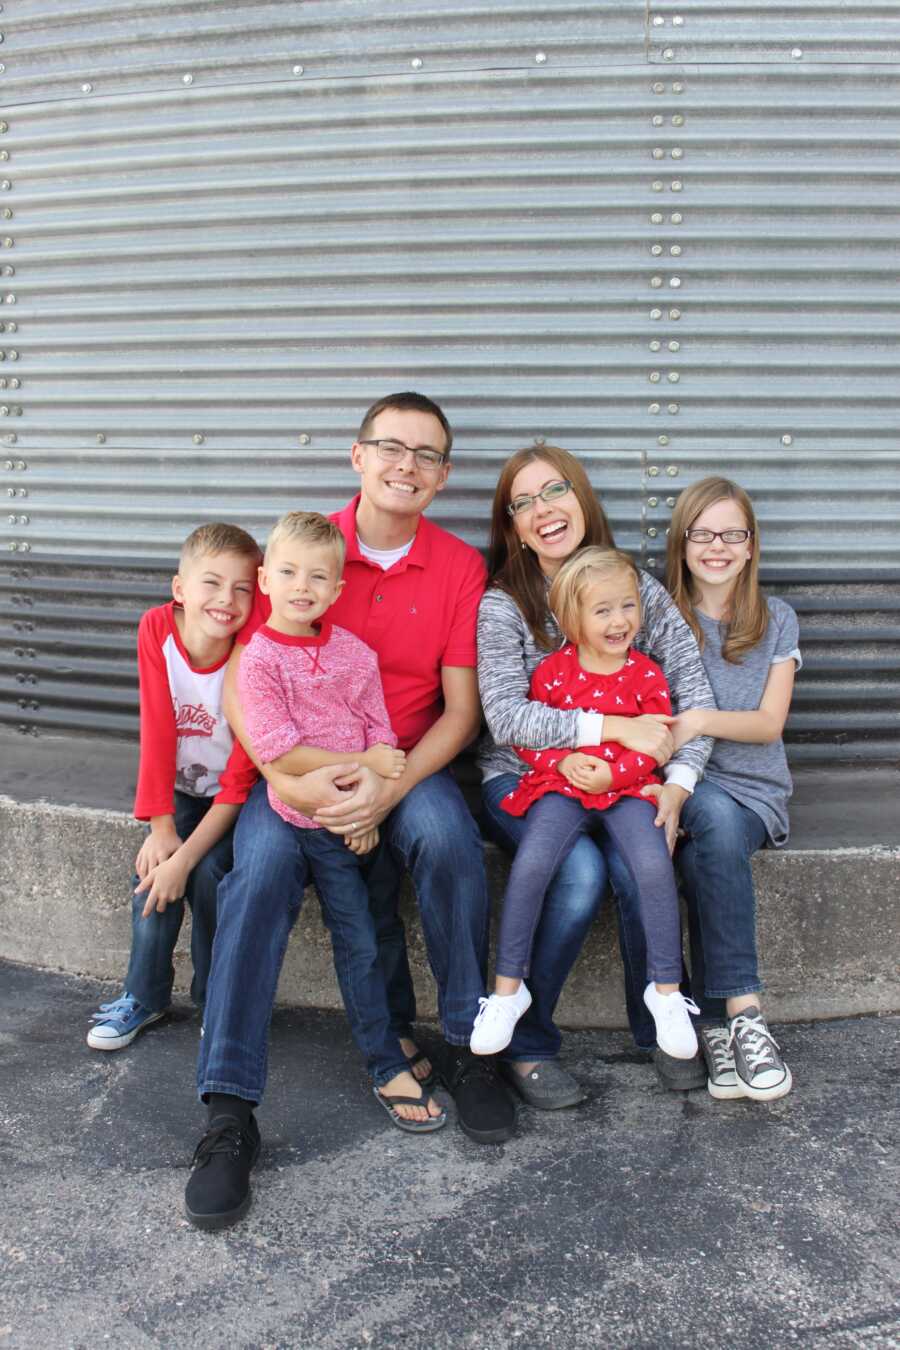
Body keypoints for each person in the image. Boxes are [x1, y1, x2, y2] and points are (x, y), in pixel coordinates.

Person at [185, 392, 514, 1232]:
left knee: (446, 839)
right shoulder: (303, 547)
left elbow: (460, 714)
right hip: (289, 771)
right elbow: (244, 674)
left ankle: (474, 1047)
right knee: (257, 872)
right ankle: (228, 1115)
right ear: (357, 455)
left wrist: (385, 789)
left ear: (442, 478)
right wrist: (285, 780)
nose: (406, 464)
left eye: (427, 454)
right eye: (390, 446)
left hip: (402, 762)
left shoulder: (456, 567)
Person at [477, 445, 716, 1108]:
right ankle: (525, 1041)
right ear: (512, 528)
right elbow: (505, 715)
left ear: (582, 497)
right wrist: (600, 735)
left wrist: (679, 782)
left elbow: (691, 697)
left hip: (635, 777)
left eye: (554, 490)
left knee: (646, 859)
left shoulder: (637, 589)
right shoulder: (505, 604)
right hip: (527, 774)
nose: (542, 510)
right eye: (522, 503)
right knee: (578, 873)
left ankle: (659, 1027)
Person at [87, 523, 260, 1051]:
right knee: (151, 874)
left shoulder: (253, 648)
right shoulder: (156, 629)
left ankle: (215, 999)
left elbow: (240, 772)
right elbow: (157, 728)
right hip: (183, 791)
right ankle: (145, 995)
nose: (227, 600)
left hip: (237, 798)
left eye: (243, 588)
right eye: (211, 583)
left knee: (209, 874)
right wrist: (161, 828)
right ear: (180, 588)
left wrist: (182, 859)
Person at [662, 476, 798, 1102]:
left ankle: (737, 1015)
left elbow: (768, 724)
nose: (717, 546)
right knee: (700, 846)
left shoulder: (776, 621)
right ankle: (725, 1028)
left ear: (750, 546)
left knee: (713, 823)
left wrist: (696, 720)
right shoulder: (658, 619)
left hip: (749, 795)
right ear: (682, 541)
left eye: (732, 534)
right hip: (675, 787)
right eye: (703, 533)